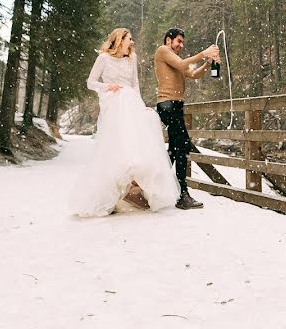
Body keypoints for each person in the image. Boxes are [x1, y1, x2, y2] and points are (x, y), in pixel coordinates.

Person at [69, 28, 180, 217]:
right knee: (116, 147)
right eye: (130, 39)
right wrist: (108, 86)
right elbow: (91, 82)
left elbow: (135, 84)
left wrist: (141, 105)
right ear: (120, 41)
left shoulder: (132, 58)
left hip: (131, 104)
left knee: (142, 136)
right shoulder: (104, 58)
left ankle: (143, 189)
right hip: (114, 105)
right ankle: (108, 193)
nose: (132, 42)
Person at [154, 28, 220, 210]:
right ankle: (182, 194)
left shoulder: (176, 61)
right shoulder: (163, 51)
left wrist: (208, 62)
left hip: (176, 105)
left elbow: (193, 74)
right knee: (182, 144)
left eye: (182, 42)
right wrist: (203, 53)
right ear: (168, 40)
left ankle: (156, 184)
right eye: (178, 41)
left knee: (176, 148)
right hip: (167, 104)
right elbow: (184, 65)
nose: (181, 45)